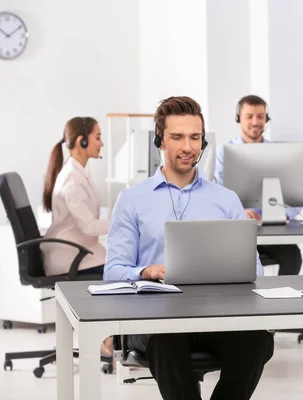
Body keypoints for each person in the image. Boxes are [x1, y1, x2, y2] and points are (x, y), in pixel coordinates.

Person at [104, 96, 274, 400]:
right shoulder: (132, 200)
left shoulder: (226, 200)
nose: (187, 147)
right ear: (160, 141)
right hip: (157, 321)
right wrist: (148, 271)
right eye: (177, 137)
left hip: (217, 316)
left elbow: (255, 270)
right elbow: (112, 272)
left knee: (257, 341)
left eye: (195, 137)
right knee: (167, 342)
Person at [214, 94, 303, 276]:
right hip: (238, 232)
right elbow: (216, 194)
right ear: (239, 118)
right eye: (249, 116)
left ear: (266, 119)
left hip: (272, 230)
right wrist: (239, 212)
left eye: (260, 116)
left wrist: (286, 212)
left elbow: (296, 190)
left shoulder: (279, 153)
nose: (255, 122)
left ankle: (283, 301)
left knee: (292, 255)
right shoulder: (224, 153)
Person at [41, 116, 108, 277]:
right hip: (70, 258)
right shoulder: (72, 178)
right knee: (128, 273)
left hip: (80, 251)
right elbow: (88, 226)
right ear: (82, 141)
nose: (102, 144)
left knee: (127, 265)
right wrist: (124, 224)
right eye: (97, 137)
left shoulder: (79, 173)